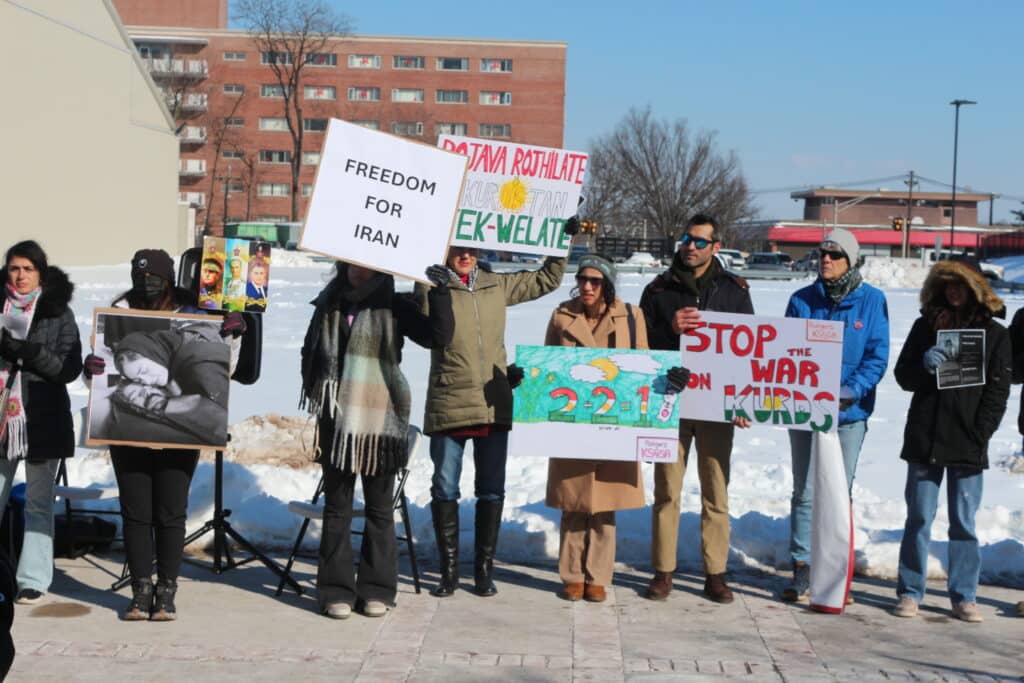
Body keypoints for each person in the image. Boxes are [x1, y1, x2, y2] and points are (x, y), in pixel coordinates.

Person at [82, 249, 244, 621]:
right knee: (136, 513)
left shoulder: (194, 319)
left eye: (153, 276)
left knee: (171, 513)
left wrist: (232, 337)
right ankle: (141, 590)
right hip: (130, 439)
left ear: (168, 278)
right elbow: (100, 373)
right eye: (139, 276)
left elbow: (223, 370)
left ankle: (167, 590)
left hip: (178, 441)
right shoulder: (119, 313)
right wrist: (90, 370)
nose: (145, 283)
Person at [415, 225, 575, 599]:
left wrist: (561, 238)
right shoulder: (429, 284)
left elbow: (547, 278)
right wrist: (433, 286)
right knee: (444, 487)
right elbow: (430, 331)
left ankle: (484, 570)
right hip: (449, 400)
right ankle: (449, 571)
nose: (465, 255)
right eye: (458, 248)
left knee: (490, 490)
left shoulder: (496, 285)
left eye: (471, 248)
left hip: (492, 401)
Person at [300, 262, 452, 619]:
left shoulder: (395, 306)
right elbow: (310, 352)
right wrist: (319, 393)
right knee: (336, 508)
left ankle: (376, 589)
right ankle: (335, 591)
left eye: (367, 266)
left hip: (380, 420)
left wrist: (440, 293)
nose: (359, 271)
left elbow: (438, 337)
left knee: (379, 510)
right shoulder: (329, 302)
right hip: (336, 422)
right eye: (353, 264)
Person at [544, 254, 691, 603]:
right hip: (574, 416)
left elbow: (643, 363)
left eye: (595, 281)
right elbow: (547, 361)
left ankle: (598, 575)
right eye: (582, 280)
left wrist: (669, 379)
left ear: (608, 284)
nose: (587, 287)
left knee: (604, 503)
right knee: (574, 500)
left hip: (615, 418)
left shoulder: (632, 316)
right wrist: (527, 378)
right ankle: (572, 574)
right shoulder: (562, 315)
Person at [639, 214, 754, 604]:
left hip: (716, 407)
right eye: (687, 239)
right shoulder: (658, 290)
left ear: (716, 248)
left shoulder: (734, 290)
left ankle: (715, 574)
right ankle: (663, 571)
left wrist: (743, 399)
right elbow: (640, 345)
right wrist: (668, 329)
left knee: (715, 491)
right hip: (670, 402)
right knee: (667, 491)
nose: (691, 246)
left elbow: (751, 350)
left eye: (700, 241)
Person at [891, 260, 1010, 623]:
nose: (953, 291)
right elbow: (903, 376)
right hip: (926, 436)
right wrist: (923, 364)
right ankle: (910, 591)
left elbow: (998, 390)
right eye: (947, 285)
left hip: (968, 439)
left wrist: (982, 432)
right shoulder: (924, 327)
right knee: (919, 517)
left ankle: (964, 596)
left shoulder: (994, 334)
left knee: (964, 522)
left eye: (960, 284)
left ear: (976, 288)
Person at [780, 229, 889, 602]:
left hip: (848, 414)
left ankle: (835, 570)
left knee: (839, 493)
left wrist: (850, 391)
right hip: (805, 411)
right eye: (822, 254)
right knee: (806, 491)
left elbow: (877, 357)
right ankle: (802, 566)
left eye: (835, 255)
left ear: (851, 260)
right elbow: (782, 353)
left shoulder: (872, 301)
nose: (826, 260)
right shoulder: (801, 300)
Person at [0, 240, 82, 605]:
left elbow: (68, 368)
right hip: (3, 416)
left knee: (38, 501)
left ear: (40, 274)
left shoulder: (58, 312)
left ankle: (32, 577)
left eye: (27, 269)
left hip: (43, 418)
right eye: (14, 268)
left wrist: (29, 353)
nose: (20, 276)